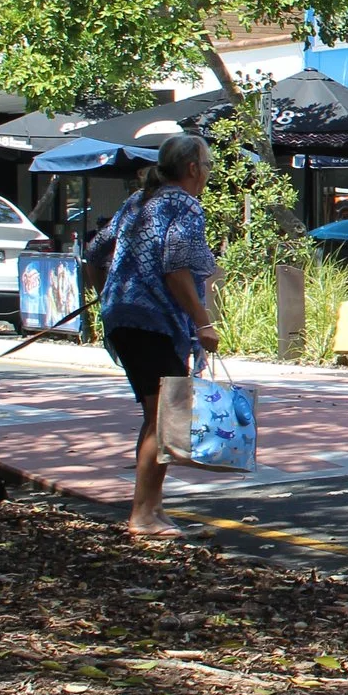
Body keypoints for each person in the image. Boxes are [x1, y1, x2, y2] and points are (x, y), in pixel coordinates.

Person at [85, 134, 218, 536]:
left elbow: (94, 252)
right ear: (193, 168)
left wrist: (110, 294)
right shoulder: (183, 204)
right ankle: (142, 515)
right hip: (153, 321)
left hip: (126, 317)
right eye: (208, 165)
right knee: (166, 418)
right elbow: (176, 268)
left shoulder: (139, 201)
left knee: (160, 417)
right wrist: (202, 322)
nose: (209, 172)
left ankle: (152, 509)